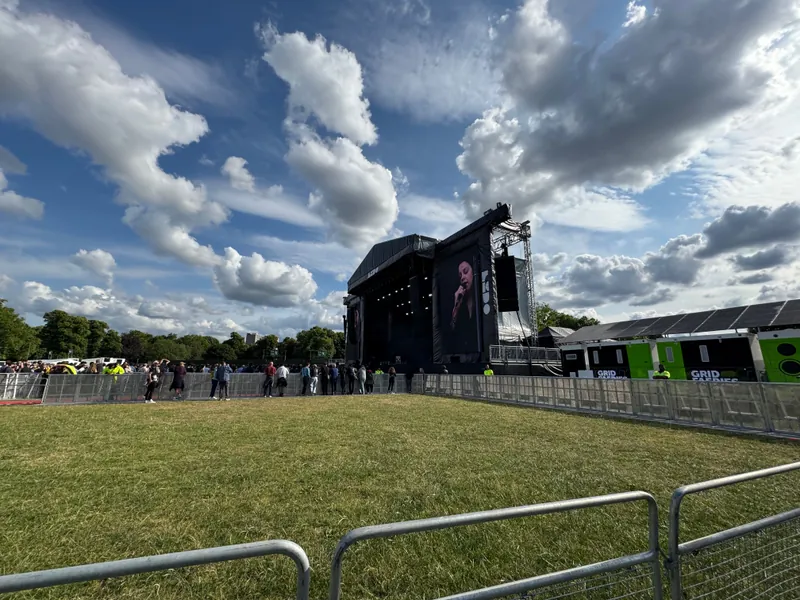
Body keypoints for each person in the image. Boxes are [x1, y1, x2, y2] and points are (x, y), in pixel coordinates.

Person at [451, 260, 476, 331]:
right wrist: (456, 307)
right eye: (460, 275)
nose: (462, 277)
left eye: (465, 271)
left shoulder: (480, 298)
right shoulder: (462, 303)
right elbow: (452, 332)